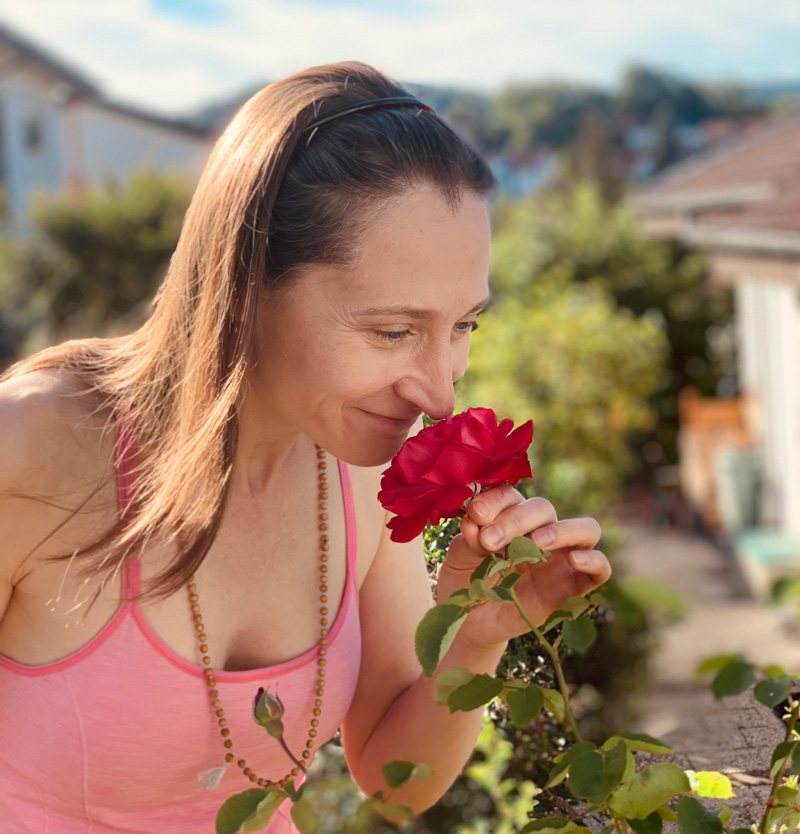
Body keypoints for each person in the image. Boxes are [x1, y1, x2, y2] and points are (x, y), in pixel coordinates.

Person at [0, 62, 610, 833]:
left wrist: (475, 632)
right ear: (246, 281)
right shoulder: (31, 450)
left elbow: (394, 784)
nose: (440, 393)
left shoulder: (362, 469)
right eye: (393, 331)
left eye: (463, 327)